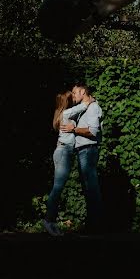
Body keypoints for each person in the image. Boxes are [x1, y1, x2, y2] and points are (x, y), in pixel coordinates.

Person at [42, 90, 88, 236]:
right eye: (72, 96)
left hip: (62, 151)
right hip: (63, 152)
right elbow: (85, 105)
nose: (75, 98)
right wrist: (88, 98)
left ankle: (52, 221)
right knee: (57, 188)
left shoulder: (63, 113)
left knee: (58, 188)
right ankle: (48, 221)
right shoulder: (67, 113)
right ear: (67, 101)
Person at [61, 83, 104, 232]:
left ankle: (96, 225)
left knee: (91, 187)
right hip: (83, 150)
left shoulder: (93, 108)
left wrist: (74, 129)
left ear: (83, 91)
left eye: (74, 93)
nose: (73, 96)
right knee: (88, 187)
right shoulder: (86, 107)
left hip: (88, 150)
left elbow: (92, 131)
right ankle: (93, 224)